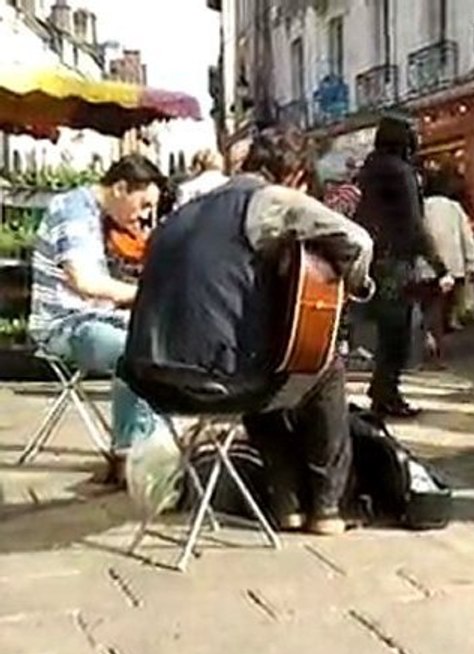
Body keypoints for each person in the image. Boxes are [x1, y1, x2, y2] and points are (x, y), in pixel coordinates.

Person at [123, 126, 375, 536]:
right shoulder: (271, 200)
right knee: (322, 366)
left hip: (150, 379)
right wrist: (358, 285)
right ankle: (328, 507)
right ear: (294, 176)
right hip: (216, 382)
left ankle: (287, 502)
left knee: (270, 364)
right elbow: (358, 241)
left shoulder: (184, 210)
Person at [28, 155, 166, 485]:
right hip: (63, 324)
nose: (145, 215)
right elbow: (84, 282)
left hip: (90, 318)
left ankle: (129, 452)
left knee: (151, 343)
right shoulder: (73, 210)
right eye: (144, 204)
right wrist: (146, 295)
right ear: (120, 188)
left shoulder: (92, 213)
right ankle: (142, 456)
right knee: (135, 352)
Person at [355, 115, 453, 418]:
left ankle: (382, 390)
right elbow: (414, 224)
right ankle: (388, 393)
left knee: (388, 332)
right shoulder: (402, 172)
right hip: (397, 260)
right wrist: (440, 265)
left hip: (374, 257)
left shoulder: (368, 170)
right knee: (398, 332)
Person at [423, 169, 474, 363]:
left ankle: (430, 345)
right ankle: (441, 351)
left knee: (430, 309)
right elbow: (467, 236)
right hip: (454, 266)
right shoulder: (455, 208)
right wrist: (472, 262)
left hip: (427, 267)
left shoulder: (421, 206)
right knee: (444, 310)